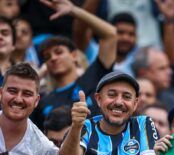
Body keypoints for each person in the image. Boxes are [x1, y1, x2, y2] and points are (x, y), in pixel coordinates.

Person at [59, 71, 159, 155]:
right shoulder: (84, 127)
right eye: (112, 95)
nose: (118, 102)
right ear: (99, 99)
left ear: (135, 103)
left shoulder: (143, 124)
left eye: (126, 97)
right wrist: (76, 126)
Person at [31, 0, 117, 130]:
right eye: (47, 57)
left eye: (58, 52)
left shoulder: (93, 77)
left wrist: (74, 11)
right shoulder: (42, 102)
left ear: (74, 56)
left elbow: (110, 34)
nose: (53, 58)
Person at [0, 62, 67, 155]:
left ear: (36, 101)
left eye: (27, 94)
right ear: (1, 93)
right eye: (12, 91)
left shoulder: (45, 149)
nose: (18, 99)